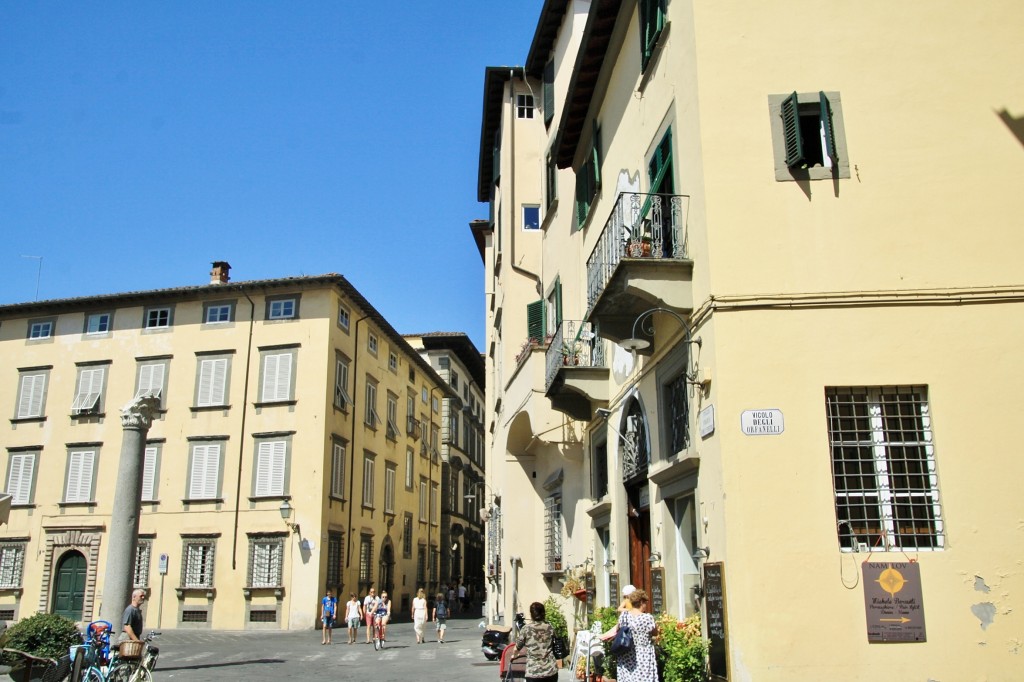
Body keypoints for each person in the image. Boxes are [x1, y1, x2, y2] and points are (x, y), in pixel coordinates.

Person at [600, 588, 659, 682]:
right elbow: (655, 633)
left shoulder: (624, 615)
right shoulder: (647, 618)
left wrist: (603, 635)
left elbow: (617, 629)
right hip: (643, 655)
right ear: (641, 602)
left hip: (626, 652)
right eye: (645, 603)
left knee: (627, 678)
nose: (646, 606)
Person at [513, 601, 558, 682]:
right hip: (551, 671)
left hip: (533, 672)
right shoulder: (550, 627)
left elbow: (517, 648)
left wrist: (514, 655)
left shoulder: (526, 629)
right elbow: (556, 641)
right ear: (543, 613)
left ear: (531, 614)